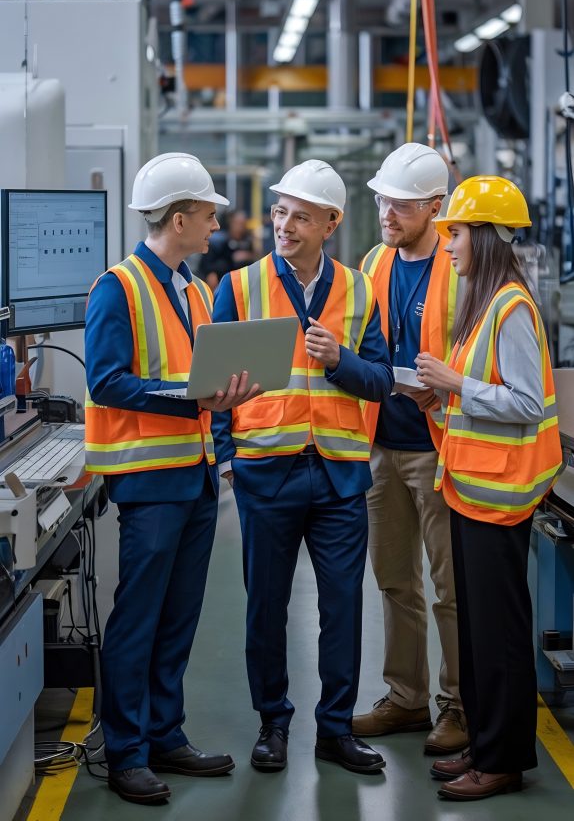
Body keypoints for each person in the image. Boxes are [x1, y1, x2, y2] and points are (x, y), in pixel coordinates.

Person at [84, 152, 258, 805]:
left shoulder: (188, 288)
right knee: (139, 619)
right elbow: (107, 380)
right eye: (208, 213)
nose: (216, 224)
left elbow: (200, 379)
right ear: (179, 217)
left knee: (179, 617)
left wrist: (221, 408)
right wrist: (191, 398)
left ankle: (165, 734)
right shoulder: (118, 287)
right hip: (149, 483)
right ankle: (126, 751)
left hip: (196, 478)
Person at [211, 159, 394, 775]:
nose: (284, 225)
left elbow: (379, 382)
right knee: (265, 606)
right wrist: (230, 457)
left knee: (342, 607)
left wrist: (341, 360)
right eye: (281, 211)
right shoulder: (238, 288)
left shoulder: (360, 290)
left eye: (301, 217)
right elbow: (212, 386)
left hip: (340, 475)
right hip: (267, 472)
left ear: (331, 224)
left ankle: (335, 730)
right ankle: (273, 723)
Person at [412, 176, 562, 801]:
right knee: (477, 631)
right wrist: (439, 390)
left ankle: (502, 760)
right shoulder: (486, 302)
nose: (448, 245)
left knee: (498, 635)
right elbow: (483, 397)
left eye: (456, 232)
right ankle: (484, 743)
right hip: (473, 492)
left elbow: (524, 402)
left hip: (501, 500)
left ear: (487, 237)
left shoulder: (511, 308)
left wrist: (452, 382)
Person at [352, 143, 468, 756]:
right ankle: (406, 697)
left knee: (452, 588)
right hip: (382, 444)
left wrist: (444, 390)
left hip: (440, 446)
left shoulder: (459, 265)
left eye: (398, 203)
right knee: (395, 580)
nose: (386, 212)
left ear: (434, 206)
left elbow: (481, 356)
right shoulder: (374, 261)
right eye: (381, 200)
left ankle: (459, 705)